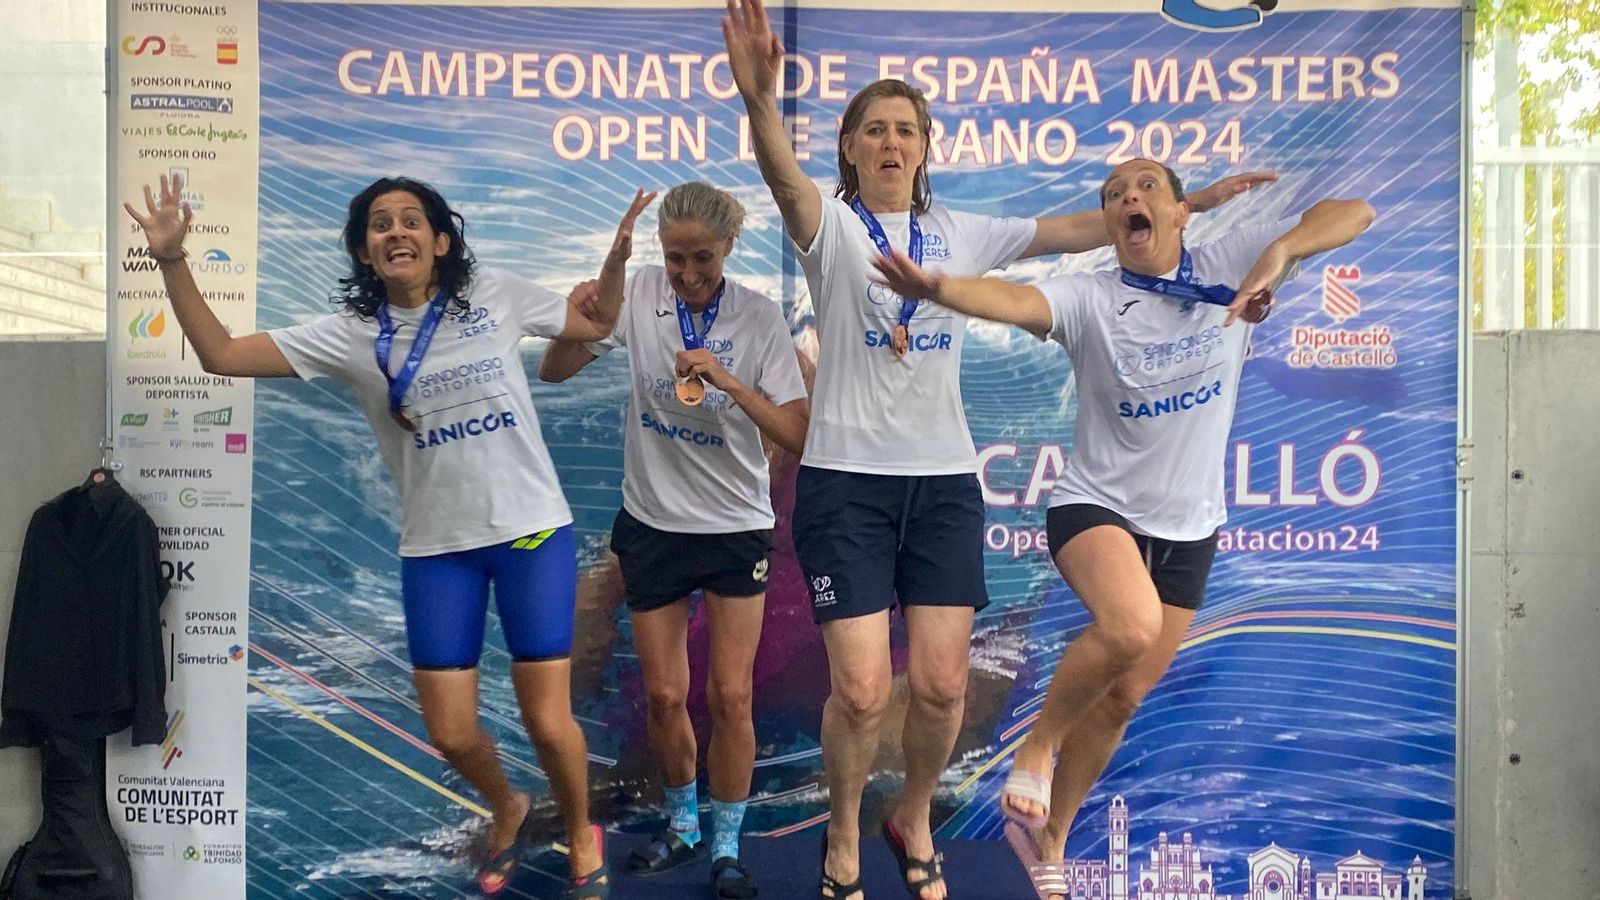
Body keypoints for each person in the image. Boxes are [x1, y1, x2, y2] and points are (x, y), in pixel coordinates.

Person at [720, 2, 1274, 898]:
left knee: (941, 690)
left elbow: (1070, 232)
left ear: (925, 147)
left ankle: (915, 813)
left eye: (906, 131)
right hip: (848, 485)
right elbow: (784, 182)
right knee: (862, 694)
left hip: (941, 485)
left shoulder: (961, 233)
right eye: (875, 131)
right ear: (852, 148)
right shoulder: (829, 226)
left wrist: (1190, 205)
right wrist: (757, 101)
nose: (892, 143)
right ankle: (847, 829)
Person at [124, 173, 656, 899]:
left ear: (441, 242)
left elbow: (592, 327)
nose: (396, 231)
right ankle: (508, 804)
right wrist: (172, 260)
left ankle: (580, 830)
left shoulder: (493, 295)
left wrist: (616, 264)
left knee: (545, 716)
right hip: (437, 551)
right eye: (380, 225)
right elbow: (219, 354)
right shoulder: (349, 336)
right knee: (452, 733)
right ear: (365, 251)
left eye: (412, 221)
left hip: (530, 533)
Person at [869, 158, 1376, 900]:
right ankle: (1036, 750)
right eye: (1113, 196)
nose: (1128, 199)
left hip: (1190, 523)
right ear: (1111, 226)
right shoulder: (1091, 296)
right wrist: (942, 288)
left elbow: (1355, 209)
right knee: (1131, 624)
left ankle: (1052, 834)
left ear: (1178, 213)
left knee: (1123, 697)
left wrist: (1281, 255)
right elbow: (1013, 300)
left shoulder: (1232, 262)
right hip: (1094, 506)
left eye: (1145, 190)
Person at [539, 180, 810, 900]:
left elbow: (798, 434)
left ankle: (726, 846)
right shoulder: (640, 294)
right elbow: (556, 368)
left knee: (731, 698)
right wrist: (604, 285)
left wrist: (730, 383)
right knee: (664, 697)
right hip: (654, 524)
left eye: (702, 260)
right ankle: (685, 826)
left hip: (733, 528)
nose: (688, 276)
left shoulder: (756, 319)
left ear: (729, 246)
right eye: (674, 258)